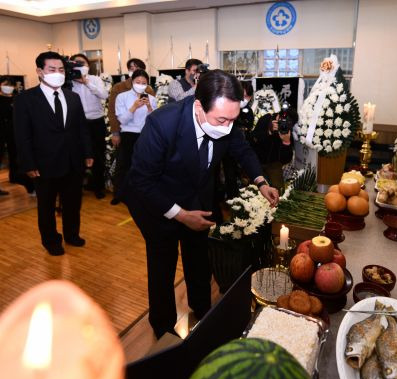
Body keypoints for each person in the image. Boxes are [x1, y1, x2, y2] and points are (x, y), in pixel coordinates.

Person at [122, 69, 279, 338]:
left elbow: (241, 149)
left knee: (198, 259)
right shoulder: (163, 124)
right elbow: (142, 181)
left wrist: (262, 181)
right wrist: (180, 215)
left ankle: (202, 309)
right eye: (221, 119)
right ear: (198, 106)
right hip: (158, 203)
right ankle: (163, 329)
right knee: (162, 266)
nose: (227, 127)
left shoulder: (225, 120)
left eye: (232, 119)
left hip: (198, 195)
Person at [13, 51, 93, 256]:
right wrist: (28, 164)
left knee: (73, 203)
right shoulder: (26, 99)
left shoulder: (72, 97)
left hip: (73, 161)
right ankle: (51, 240)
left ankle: (72, 234)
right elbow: (22, 136)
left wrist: (88, 153)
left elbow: (82, 128)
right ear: (40, 72)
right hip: (43, 163)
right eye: (52, 69)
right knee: (46, 206)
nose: (57, 73)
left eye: (60, 70)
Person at [107, 58, 155, 205]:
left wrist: (148, 107)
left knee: (144, 166)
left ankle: (141, 194)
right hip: (128, 134)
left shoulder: (151, 98)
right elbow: (122, 120)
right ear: (132, 81)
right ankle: (119, 194)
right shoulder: (122, 96)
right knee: (123, 165)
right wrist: (134, 106)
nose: (140, 85)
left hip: (145, 135)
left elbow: (153, 119)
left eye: (143, 83)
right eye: (138, 82)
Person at [70, 53, 109, 199]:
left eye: (83, 63)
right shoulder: (69, 82)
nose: (81, 66)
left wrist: (86, 82)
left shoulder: (95, 79)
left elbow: (104, 95)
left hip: (96, 122)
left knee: (98, 156)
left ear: (88, 66)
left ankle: (98, 186)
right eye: (77, 64)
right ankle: (77, 187)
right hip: (77, 124)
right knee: (78, 156)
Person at [248, 101, 294, 191]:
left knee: (279, 191)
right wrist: (269, 132)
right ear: (278, 116)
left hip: (274, 164)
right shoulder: (267, 119)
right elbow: (252, 139)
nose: (283, 125)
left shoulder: (287, 130)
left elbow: (286, 160)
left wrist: (286, 142)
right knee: (253, 190)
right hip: (257, 161)